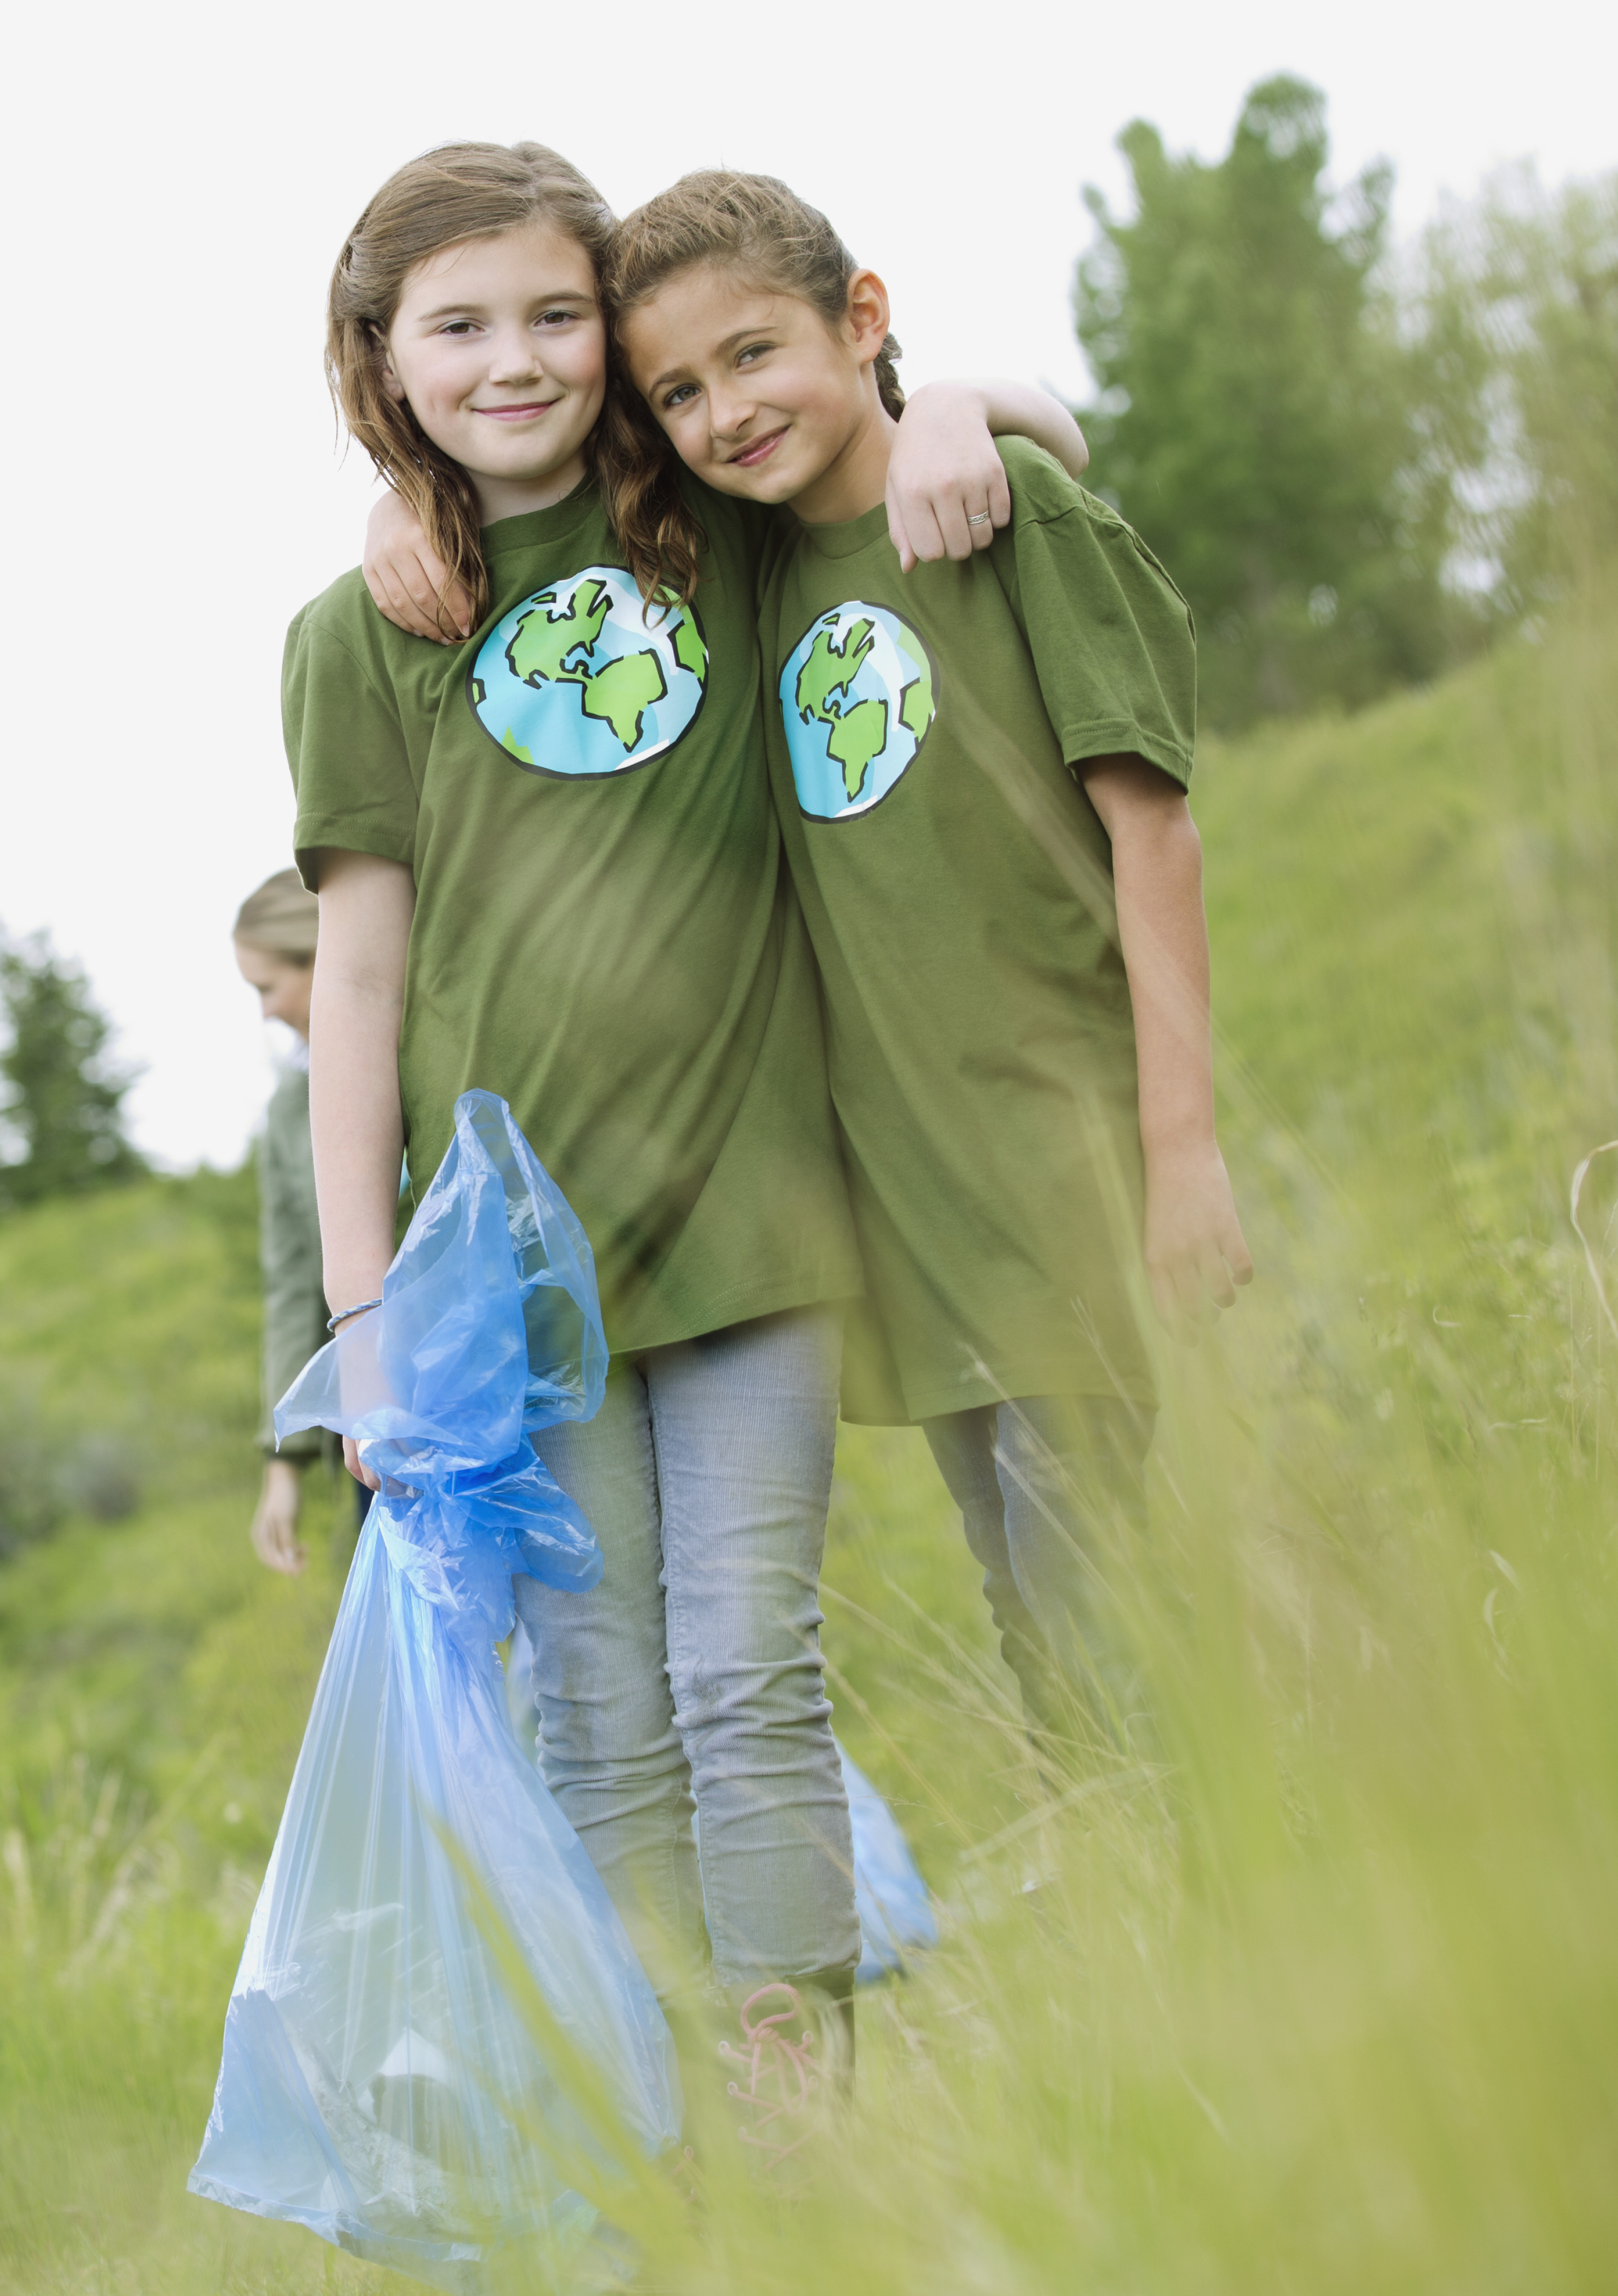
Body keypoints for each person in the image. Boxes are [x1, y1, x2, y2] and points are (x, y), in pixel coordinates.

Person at [288, 141, 1087, 2054]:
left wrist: (954, 396)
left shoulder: (705, 536)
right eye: (456, 327)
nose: (514, 359)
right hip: (511, 1280)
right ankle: (671, 2100)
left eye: (554, 315)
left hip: (752, 1216)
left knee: (748, 1667)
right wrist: (359, 1308)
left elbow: (1023, 437)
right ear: (377, 361)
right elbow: (359, 987)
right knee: (599, 1701)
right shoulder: (359, 634)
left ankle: (795, 2059)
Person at [600, 171, 1251, 1747]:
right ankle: (1139, 1912)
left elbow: (1150, 836)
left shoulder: (1013, 517)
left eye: (752, 356)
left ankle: (1230, 1897)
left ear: (860, 317)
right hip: (908, 1195)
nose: (721, 414)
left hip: (1061, 1158)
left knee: (1101, 1594)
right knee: (1025, 1597)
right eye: (677, 393)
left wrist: (1181, 1152)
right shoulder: (748, 577)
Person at [233, 867, 365, 1575]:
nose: (264, 1012)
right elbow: (292, 1288)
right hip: (376, 1428)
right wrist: (282, 1462)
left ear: (320, 957)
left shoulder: (436, 1046)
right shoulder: (289, 1113)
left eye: (266, 987)